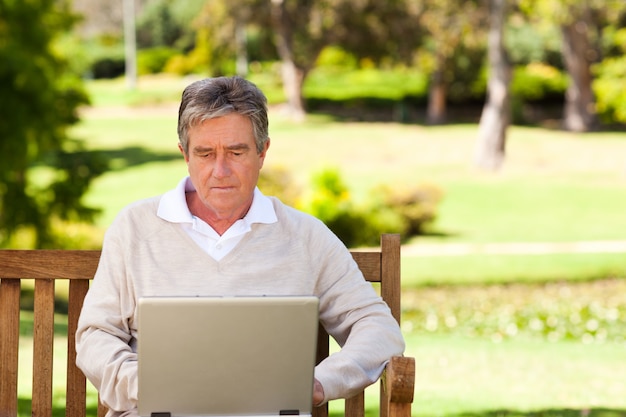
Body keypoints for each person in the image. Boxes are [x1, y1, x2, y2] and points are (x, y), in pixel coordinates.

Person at [75, 75, 405, 417]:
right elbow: (95, 337)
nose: (221, 170)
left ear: (262, 153)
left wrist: (318, 383)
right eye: (205, 153)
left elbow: (379, 330)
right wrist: (146, 386)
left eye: (236, 152)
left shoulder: (305, 237)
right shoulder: (135, 228)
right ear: (185, 155)